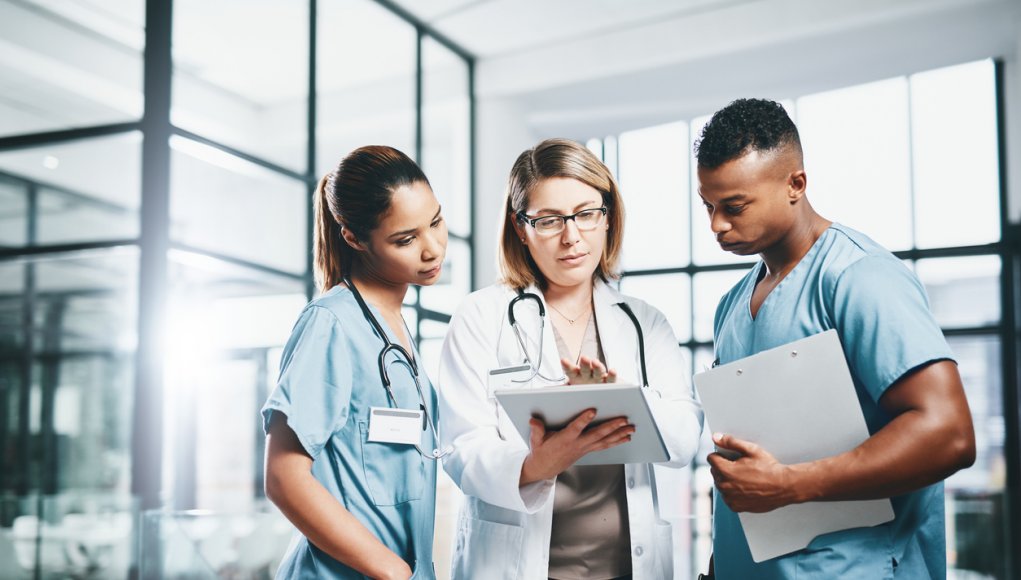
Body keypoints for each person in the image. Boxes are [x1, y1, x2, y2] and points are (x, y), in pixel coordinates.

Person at [694, 98, 976, 579]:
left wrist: (789, 485)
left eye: (734, 207)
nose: (717, 225)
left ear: (795, 185)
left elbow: (948, 434)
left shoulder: (861, 278)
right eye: (708, 206)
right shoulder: (732, 305)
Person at [437, 138, 704, 580]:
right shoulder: (481, 317)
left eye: (586, 214)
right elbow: (461, 448)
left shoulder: (645, 323)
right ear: (520, 228)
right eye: (548, 221)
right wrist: (535, 465)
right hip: (516, 566)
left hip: (625, 566)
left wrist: (623, 400)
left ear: (608, 216)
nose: (571, 236)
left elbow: (682, 440)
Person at [261, 145, 447, 579]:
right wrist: (394, 572)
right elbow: (283, 476)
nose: (432, 248)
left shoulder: (391, 326)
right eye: (406, 239)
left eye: (435, 222)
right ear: (354, 238)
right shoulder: (331, 323)